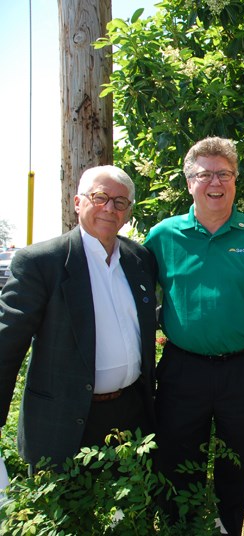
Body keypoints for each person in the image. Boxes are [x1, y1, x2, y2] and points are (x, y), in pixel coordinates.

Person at [144, 136, 244, 536]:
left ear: (236, 181)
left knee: (235, 467)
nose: (215, 182)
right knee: (175, 464)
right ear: (190, 182)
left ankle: (227, 531)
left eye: (224, 173)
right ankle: (179, 530)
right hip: (182, 371)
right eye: (205, 174)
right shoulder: (163, 236)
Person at [0, 165, 157, 469]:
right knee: (67, 513)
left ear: (127, 211)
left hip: (131, 416)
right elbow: (8, 340)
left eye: (120, 202)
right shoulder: (42, 262)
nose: (109, 208)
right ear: (77, 202)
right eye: (100, 197)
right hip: (63, 421)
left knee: (128, 515)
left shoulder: (140, 259)